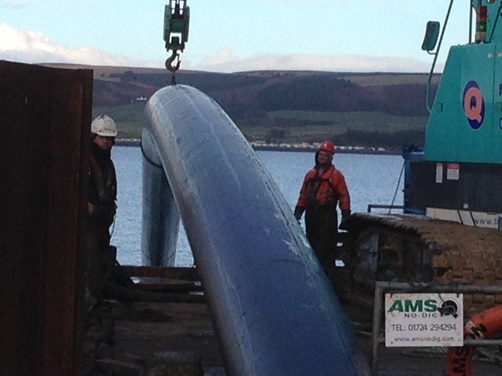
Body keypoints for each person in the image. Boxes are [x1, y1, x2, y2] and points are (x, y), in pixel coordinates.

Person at [294, 140, 351, 279]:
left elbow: (343, 195)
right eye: (321, 154)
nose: (322, 157)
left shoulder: (336, 176)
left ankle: (327, 277)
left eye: (326, 155)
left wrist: (345, 214)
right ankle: (312, 276)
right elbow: (303, 195)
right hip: (311, 214)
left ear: (330, 157)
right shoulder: (310, 175)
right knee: (311, 245)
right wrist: (298, 212)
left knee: (326, 249)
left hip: (327, 215)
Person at [85, 114, 118, 311]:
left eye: (109, 138)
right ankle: (89, 308)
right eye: (102, 137)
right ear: (94, 137)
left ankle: (95, 304)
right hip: (89, 226)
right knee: (90, 267)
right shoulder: (86, 163)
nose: (106, 142)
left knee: (100, 266)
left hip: (101, 224)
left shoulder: (108, 165)